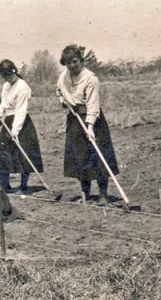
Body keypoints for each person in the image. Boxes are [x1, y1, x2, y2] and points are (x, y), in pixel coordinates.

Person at [56, 44, 119, 206]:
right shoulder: (63, 76)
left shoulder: (91, 79)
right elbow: (59, 91)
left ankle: (103, 194)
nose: (72, 65)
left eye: (74, 61)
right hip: (74, 119)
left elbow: (93, 104)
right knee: (80, 156)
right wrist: (63, 100)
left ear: (81, 60)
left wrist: (90, 126)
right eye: (68, 63)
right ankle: (85, 192)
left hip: (93, 120)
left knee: (98, 156)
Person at [0, 60, 44, 194]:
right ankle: (5, 184)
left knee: (23, 152)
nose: (8, 79)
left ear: (14, 72)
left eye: (9, 76)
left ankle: (23, 186)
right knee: (2, 151)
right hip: (8, 121)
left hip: (21, 123)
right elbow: (3, 103)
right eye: (5, 77)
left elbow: (21, 110)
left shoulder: (22, 86)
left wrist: (15, 130)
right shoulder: (6, 86)